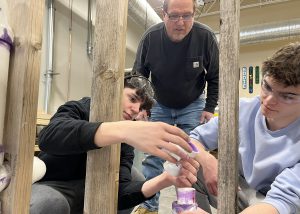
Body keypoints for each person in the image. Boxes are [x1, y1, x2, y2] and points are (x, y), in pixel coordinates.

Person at [30, 74, 200, 214]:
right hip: (54, 186)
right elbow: (48, 137)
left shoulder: (125, 141)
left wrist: (165, 179)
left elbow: (119, 196)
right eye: (132, 99)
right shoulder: (81, 108)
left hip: (94, 191)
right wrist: (122, 131)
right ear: (115, 90)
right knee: (51, 203)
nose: (135, 110)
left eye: (141, 108)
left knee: (135, 177)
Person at [190, 42, 300, 214]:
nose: (269, 100)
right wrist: (206, 159)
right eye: (267, 87)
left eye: (287, 96)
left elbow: (282, 201)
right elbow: (191, 140)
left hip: (275, 205)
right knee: (188, 165)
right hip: (241, 189)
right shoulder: (242, 109)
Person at [132, 0, 219, 212]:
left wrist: (209, 107)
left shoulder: (205, 37)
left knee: (191, 155)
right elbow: (138, 75)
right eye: (174, 16)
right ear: (164, 14)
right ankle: (148, 206)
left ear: (194, 14)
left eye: (187, 16)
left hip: (192, 104)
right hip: (159, 104)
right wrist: (142, 105)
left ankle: (191, 207)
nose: (181, 22)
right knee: (153, 157)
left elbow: (215, 77)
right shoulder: (151, 38)